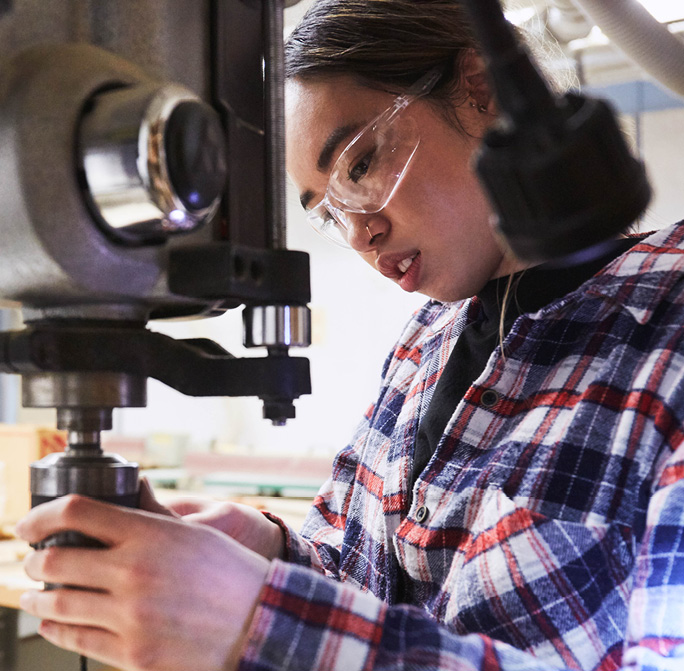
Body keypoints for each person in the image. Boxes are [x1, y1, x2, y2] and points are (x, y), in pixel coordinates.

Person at [15, 0, 684, 669]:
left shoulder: (667, 330)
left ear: (480, 88)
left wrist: (256, 622)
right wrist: (271, 558)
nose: (362, 234)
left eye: (360, 166)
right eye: (328, 212)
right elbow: (373, 594)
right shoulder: (427, 344)